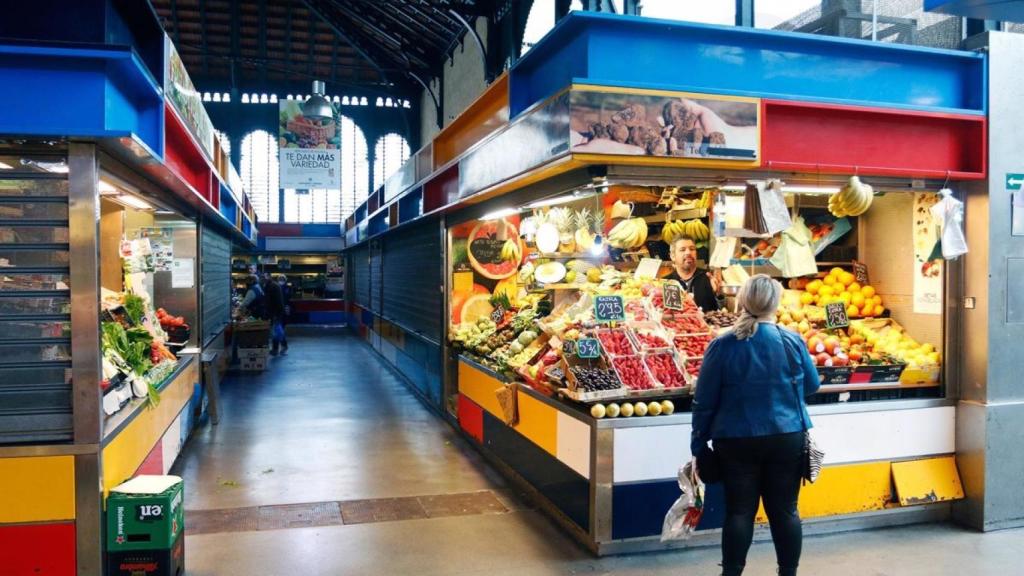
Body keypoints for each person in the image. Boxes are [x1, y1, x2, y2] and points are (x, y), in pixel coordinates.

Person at [691, 274, 821, 576]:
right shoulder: (792, 341)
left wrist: (698, 444)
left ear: (742, 302)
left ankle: (732, 572)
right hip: (786, 435)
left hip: (735, 440)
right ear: (775, 304)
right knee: (786, 511)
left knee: (738, 512)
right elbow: (811, 386)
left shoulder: (722, 345)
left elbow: (704, 401)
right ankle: (787, 572)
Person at [664, 235, 722, 311]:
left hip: (708, 322)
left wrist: (719, 294)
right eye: (682, 250)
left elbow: (723, 309)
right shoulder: (666, 283)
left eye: (692, 249)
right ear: (672, 256)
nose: (688, 252)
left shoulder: (709, 278)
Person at [262, 273, 288, 355]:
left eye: (263, 277)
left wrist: (277, 313)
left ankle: (282, 346)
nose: (262, 279)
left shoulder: (271, 286)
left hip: (275, 312)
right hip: (276, 312)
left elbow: (276, 301)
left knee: (277, 331)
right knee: (276, 330)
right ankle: (276, 349)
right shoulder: (271, 285)